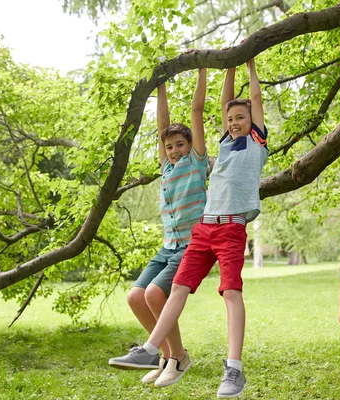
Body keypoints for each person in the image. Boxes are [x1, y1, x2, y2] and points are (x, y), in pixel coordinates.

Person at [109, 58, 268, 399]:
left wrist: (247, 62)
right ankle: (155, 350)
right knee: (176, 290)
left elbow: (253, 99)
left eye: (241, 117)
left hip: (231, 227)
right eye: (230, 119)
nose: (234, 122)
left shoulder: (256, 144)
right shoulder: (225, 143)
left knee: (231, 293)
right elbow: (224, 103)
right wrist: (229, 68)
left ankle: (234, 369)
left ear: (252, 121)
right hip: (204, 229)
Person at [108, 68, 209, 388]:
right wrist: (160, 85)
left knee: (155, 294)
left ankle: (176, 358)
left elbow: (196, 112)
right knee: (136, 297)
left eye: (180, 144)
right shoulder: (165, 166)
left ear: (190, 145)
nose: (174, 150)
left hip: (191, 245)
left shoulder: (196, 161)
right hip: (167, 245)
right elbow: (161, 124)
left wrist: (202, 70)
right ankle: (169, 356)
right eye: (169, 147)